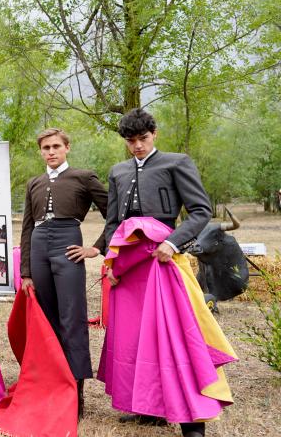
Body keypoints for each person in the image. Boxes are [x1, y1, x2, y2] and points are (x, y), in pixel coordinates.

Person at [104, 108, 215, 437]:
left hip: (160, 257)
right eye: (131, 140)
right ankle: (149, 408)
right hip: (128, 262)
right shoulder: (118, 171)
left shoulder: (177, 162)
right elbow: (113, 222)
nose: (137, 145)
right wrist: (111, 261)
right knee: (134, 338)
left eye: (143, 138)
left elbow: (200, 211)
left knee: (172, 336)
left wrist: (174, 242)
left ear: (155, 134)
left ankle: (190, 420)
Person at [19, 128, 108, 419]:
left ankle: (76, 391)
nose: (51, 152)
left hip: (67, 242)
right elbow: (27, 227)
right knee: (46, 320)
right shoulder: (34, 182)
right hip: (38, 246)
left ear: (67, 147)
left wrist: (95, 248)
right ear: (41, 151)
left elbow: (115, 213)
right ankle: (51, 386)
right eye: (46, 148)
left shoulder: (83, 177)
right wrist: (26, 271)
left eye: (56, 146)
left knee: (72, 317)